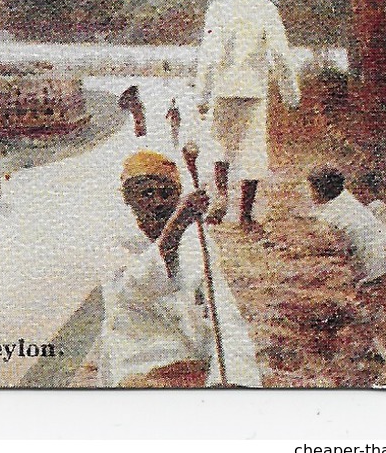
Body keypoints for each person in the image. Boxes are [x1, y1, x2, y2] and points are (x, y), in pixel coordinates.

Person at [96, 151, 263, 388]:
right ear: (129, 199)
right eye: (146, 193)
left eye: (166, 193)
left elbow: (222, 311)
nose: (157, 202)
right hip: (137, 360)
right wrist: (176, 226)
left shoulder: (197, 242)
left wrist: (233, 378)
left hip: (190, 357)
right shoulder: (117, 243)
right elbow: (132, 290)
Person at [194, 0, 302, 225]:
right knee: (253, 150)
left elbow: (209, 54)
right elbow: (279, 53)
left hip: (223, 87)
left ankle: (220, 199)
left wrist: (202, 95)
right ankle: (245, 213)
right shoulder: (265, 7)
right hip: (254, 88)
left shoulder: (217, 7)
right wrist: (291, 95)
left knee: (221, 146)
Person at [308, 166, 386, 285]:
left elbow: (328, 251)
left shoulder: (328, 217)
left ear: (319, 191)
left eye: (312, 189)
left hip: (379, 269)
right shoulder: (346, 197)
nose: (310, 194)